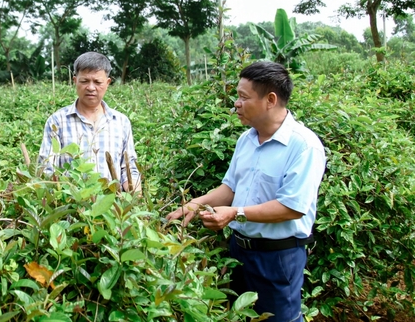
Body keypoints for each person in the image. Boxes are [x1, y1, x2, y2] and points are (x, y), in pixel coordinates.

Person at [166, 61, 326, 322]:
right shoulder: (247, 139)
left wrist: (234, 214)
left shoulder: (305, 146)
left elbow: (292, 207)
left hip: (278, 257)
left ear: (270, 100)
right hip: (239, 251)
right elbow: (230, 188)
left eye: (243, 97)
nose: (236, 104)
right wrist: (195, 203)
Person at [38, 52, 141, 193]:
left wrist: (133, 194)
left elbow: (129, 167)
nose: (91, 88)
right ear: (75, 81)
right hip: (71, 205)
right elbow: (47, 168)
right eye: (84, 81)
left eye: (97, 82)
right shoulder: (57, 121)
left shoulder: (121, 122)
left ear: (107, 83)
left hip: (113, 207)